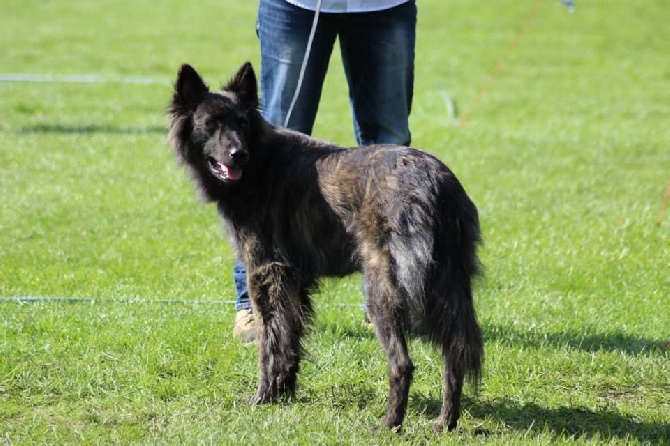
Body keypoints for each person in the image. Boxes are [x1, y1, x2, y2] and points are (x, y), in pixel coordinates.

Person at [233, 0, 417, 342]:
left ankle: (388, 303)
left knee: (392, 147)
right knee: (271, 148)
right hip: (296, 5)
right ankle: (254, 306)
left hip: (383, 6)